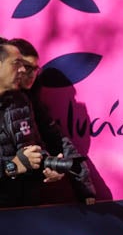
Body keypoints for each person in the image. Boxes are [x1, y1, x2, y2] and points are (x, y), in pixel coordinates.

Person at [0, 38, 92, 207]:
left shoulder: (23, 102)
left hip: (25, 206)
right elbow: (16, 164)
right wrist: (11, 167)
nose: (25, 72)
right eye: (19, 64)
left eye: (35, 69)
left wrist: (48, 168)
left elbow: (36, 149)